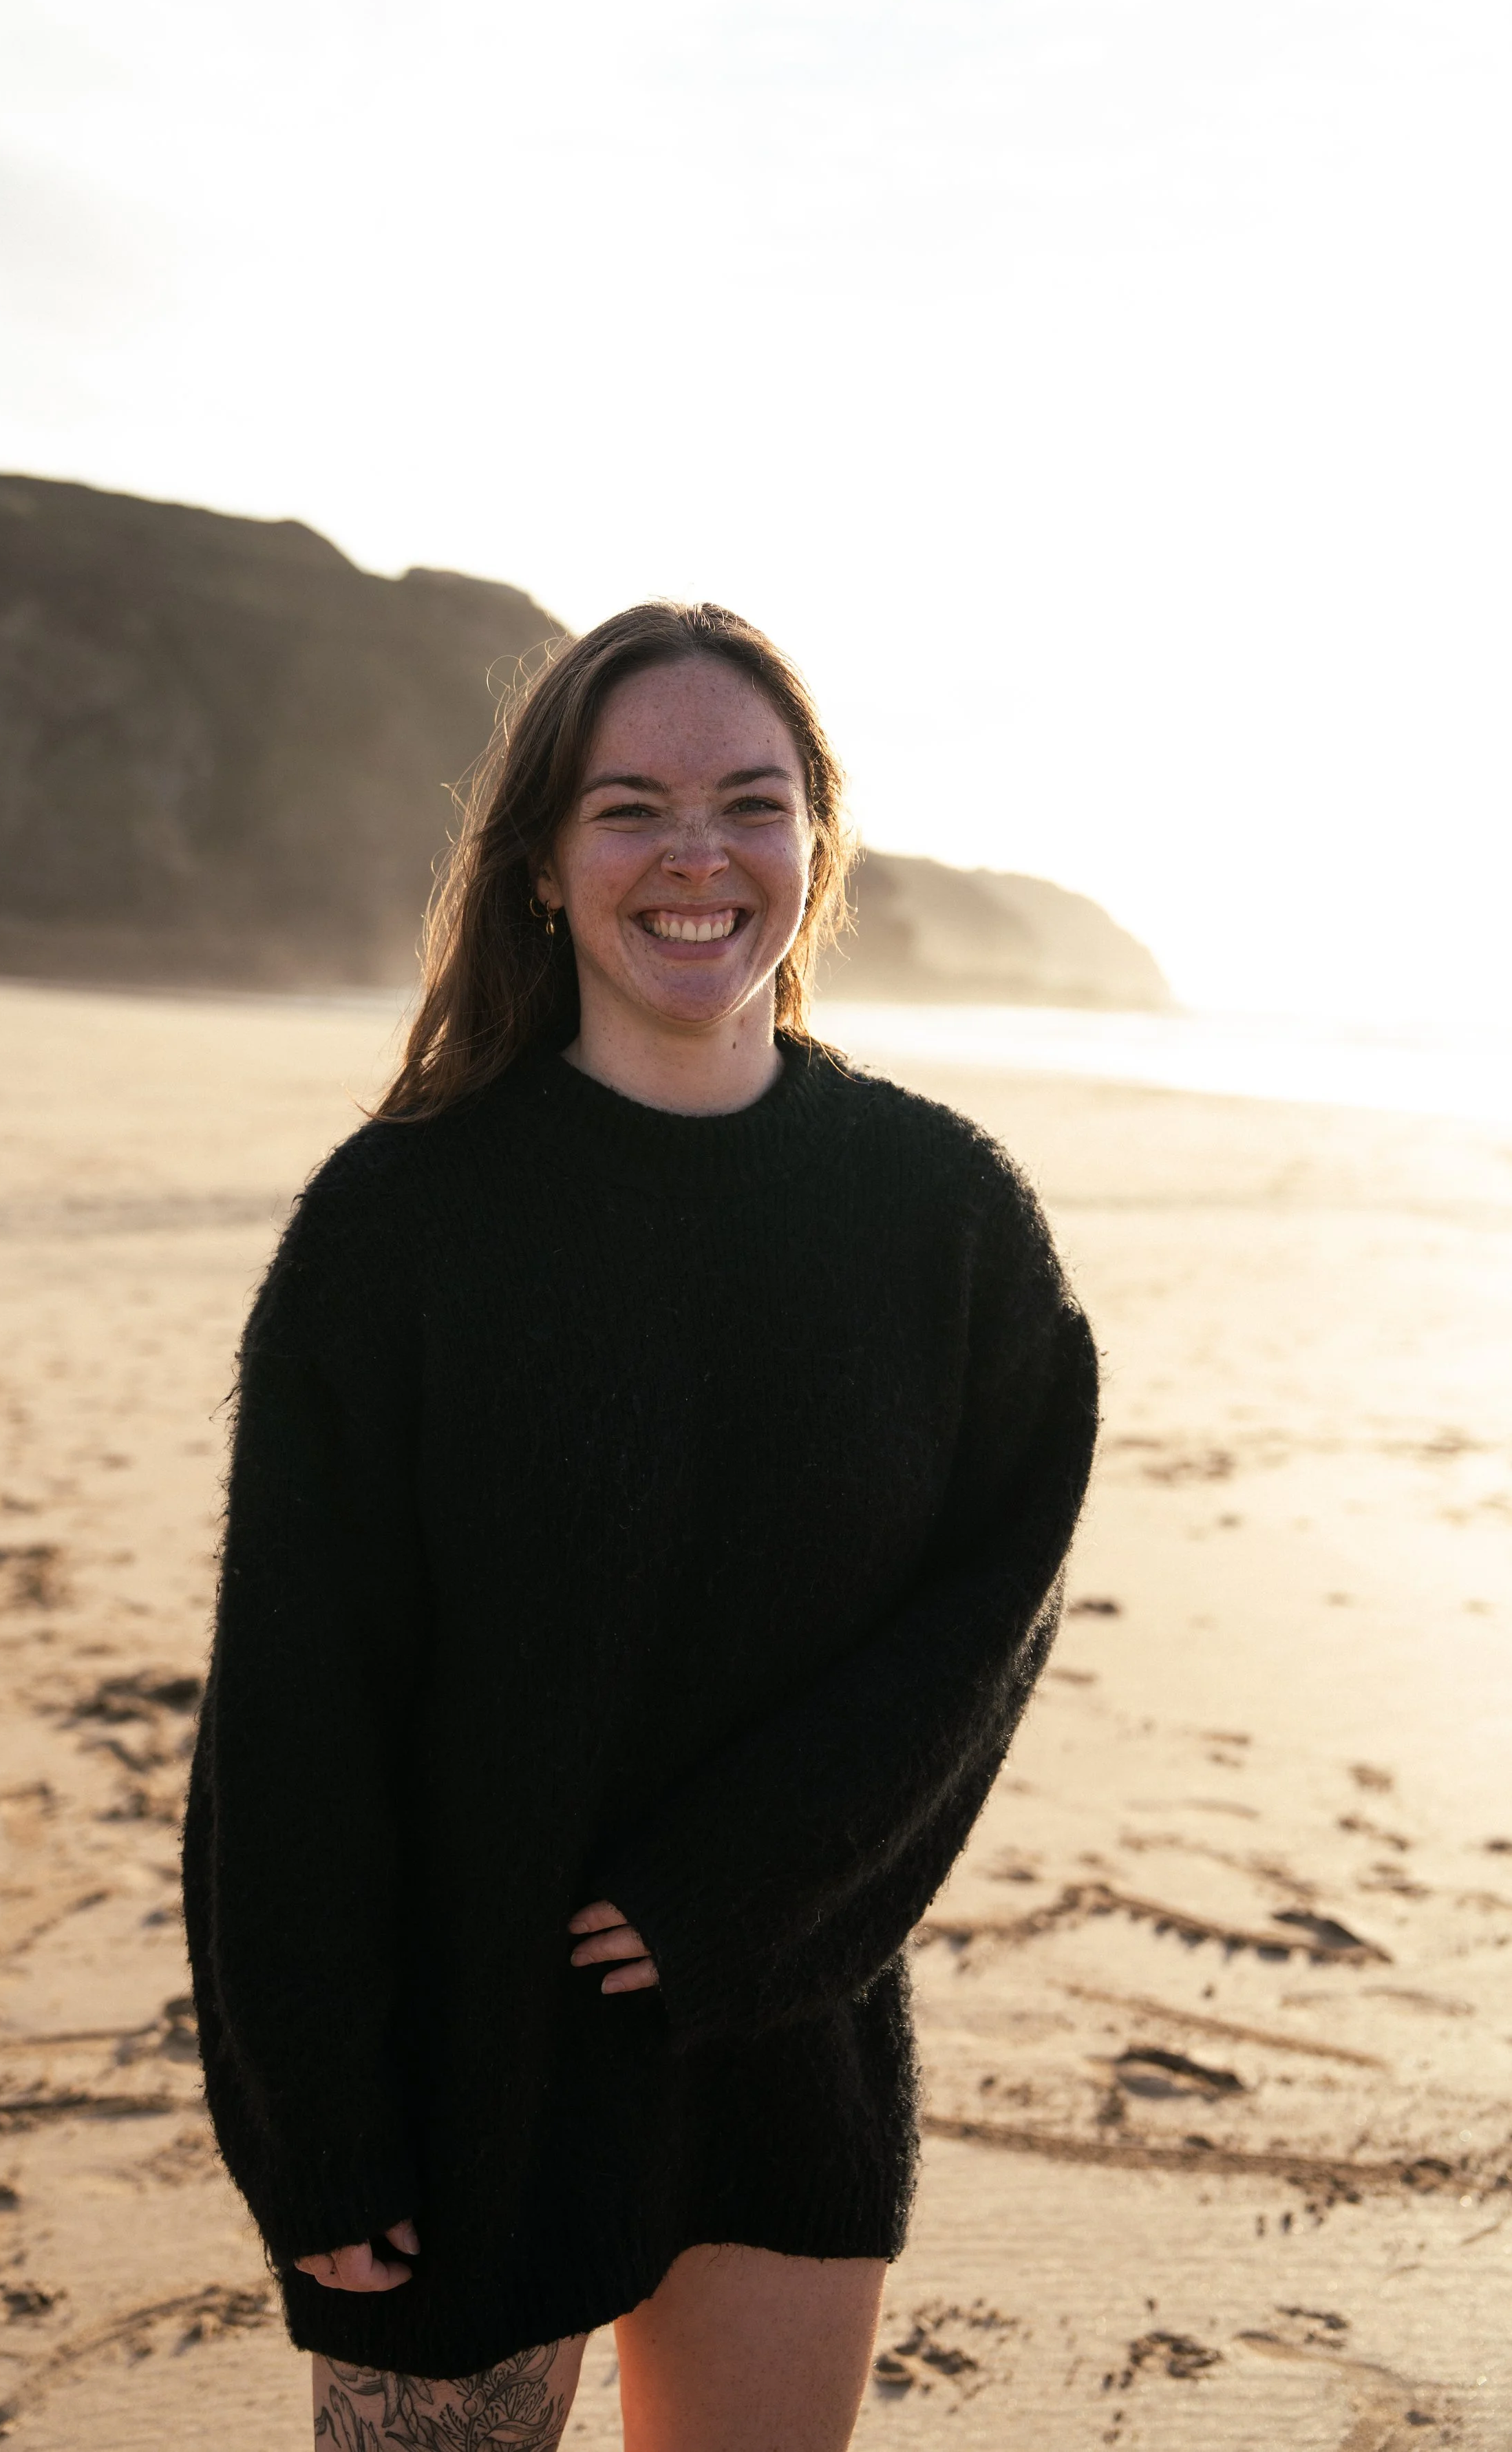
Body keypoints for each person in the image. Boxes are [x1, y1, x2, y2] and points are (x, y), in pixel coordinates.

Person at [181, 602, 1098, 2451]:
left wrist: (747, 1890)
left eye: (750, 802)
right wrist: (311, 2115)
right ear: (538, 861)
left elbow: (992, 1595)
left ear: (813, 849)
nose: (696, 852)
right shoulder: (399, 1226)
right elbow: (293, 1702)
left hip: (784, 2035)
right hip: (454, 2060)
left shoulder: (940, 1215)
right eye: (630, 806)